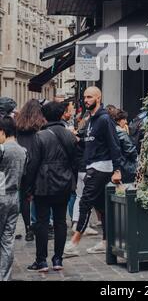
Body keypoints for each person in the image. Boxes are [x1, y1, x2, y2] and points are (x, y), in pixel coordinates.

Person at [64, 87, 122, 257]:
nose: (86, 100)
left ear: (98, 97)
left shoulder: (104, 119)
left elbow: (114, 145)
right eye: (84, 97)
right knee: (101, 206)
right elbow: (90, 142)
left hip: (101, 167)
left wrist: (117, 169)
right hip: (92, 165)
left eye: (89, 97)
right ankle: (106, 241)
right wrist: (78, 139)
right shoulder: (91, 120)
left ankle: (75, 241)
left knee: (85, 202)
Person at [26, 101, 78, 273]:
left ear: (44, 116)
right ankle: (58, 259)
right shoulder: (69, 135)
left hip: (43, 184)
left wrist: (28, 188)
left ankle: (41, 261)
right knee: (60, 221)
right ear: (61, 114)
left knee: (41, 222)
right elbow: (75, 162)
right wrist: (73, 183)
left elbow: (32, 164)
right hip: (64, 182)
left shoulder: (40, 136)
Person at [0, 116, 27, 281]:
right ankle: (5, 276)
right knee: (7, 240)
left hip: (1, 194)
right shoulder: (23, 151)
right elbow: (24, 175)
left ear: (2, 132)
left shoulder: (2, 149)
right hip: (14, 197)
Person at [16, 99, 47, 242]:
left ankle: (28, 227)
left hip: (23, 161)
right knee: (37, 196)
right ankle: (39, 225)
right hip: (38, 162)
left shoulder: (19, 124)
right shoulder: (41, 124)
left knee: (24, 198)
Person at [115, 110, 138, 184]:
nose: (126, 122)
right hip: (126, 167)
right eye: (124, 119)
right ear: (118, 121)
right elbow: (131, 151)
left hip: (117, 166)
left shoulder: (112, 132)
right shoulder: (122, 133)